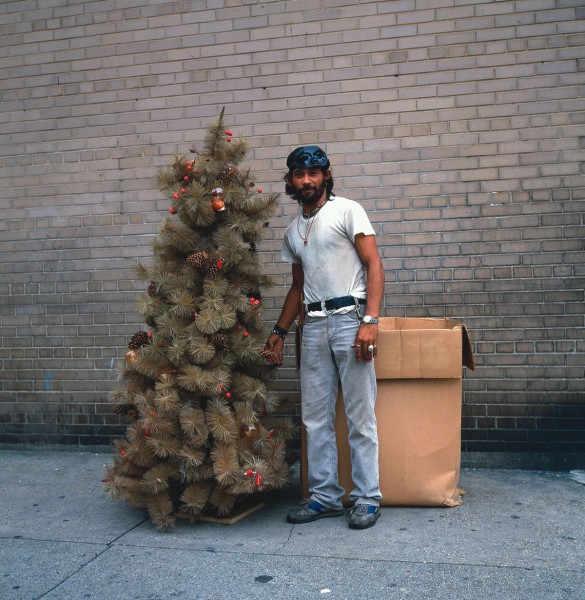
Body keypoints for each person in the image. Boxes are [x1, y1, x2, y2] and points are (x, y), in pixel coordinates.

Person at [264, 145, 384, 530]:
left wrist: (371, 320)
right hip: (312, 326)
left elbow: (374, 264)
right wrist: (280, 331)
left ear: (326, 175)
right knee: (314, 418)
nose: (307, 181)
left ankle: (367, 499)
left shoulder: (348, 210)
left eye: (313, 173)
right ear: (291, 181)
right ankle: (325, 497)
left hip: (351, 320)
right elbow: (298, 288)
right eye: (299, 175)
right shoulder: (292, 232)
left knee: (359, 415)